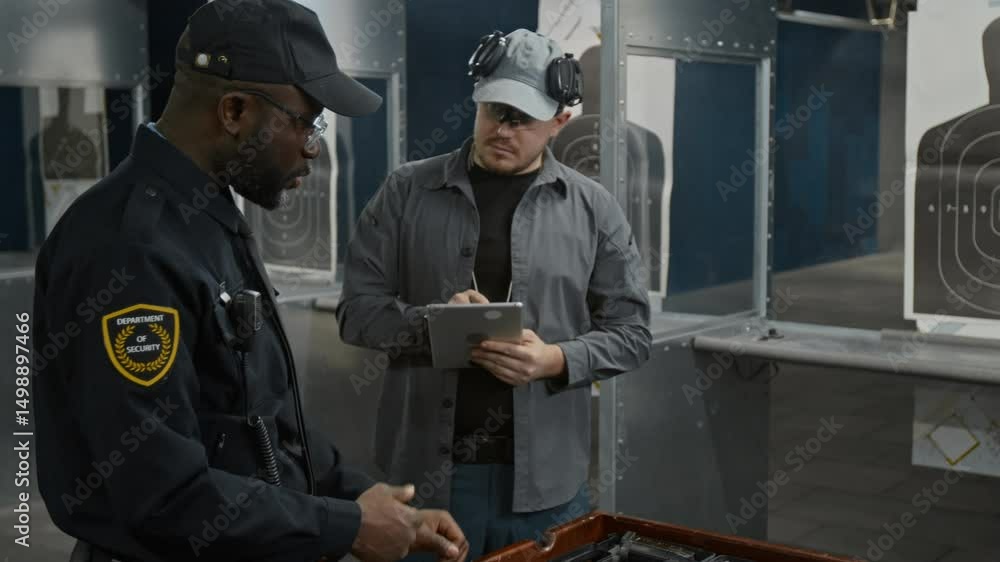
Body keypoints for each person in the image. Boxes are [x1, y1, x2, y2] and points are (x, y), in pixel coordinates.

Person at [33, 2, 468, 561]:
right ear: (235, 110)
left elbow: (257, 417)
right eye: (306, 122)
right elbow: (161, 494)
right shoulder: (130, 251)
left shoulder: (207, 217)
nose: (313, 149)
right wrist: (345, 527)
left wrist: (354, 495)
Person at [337, 28, 651, 559]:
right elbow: (356, 313)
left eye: (522, 119)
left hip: (544, 489)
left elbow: (633, 334)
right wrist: (432, 324)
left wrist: (555, 359)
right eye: (494, 111)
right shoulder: (406, 192)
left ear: (559, 122)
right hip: (427, 481)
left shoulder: (593, 209)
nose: (503, 130)